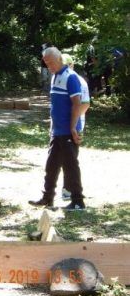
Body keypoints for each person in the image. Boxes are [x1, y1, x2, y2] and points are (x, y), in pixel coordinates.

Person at [29, 46, 86, 211]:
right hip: (57, 131)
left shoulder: (71, 77)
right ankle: (48, 198)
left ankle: (78, 201)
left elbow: (77, 104)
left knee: (70, 166)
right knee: (51, 166)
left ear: (60, 59)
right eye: (46, 64)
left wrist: (73, 127)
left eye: (51, 63)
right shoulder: (54, 77)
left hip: (69, 131)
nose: (49, 67)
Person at [60, 54, 90, 201]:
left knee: (71, 158)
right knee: (63, 157)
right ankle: (67, 189)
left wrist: (74, 122)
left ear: (71, 65)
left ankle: (69, 190)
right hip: (60, 126)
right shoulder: (60, 78)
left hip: (75, 125)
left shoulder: (79, 81)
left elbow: (85, 104)